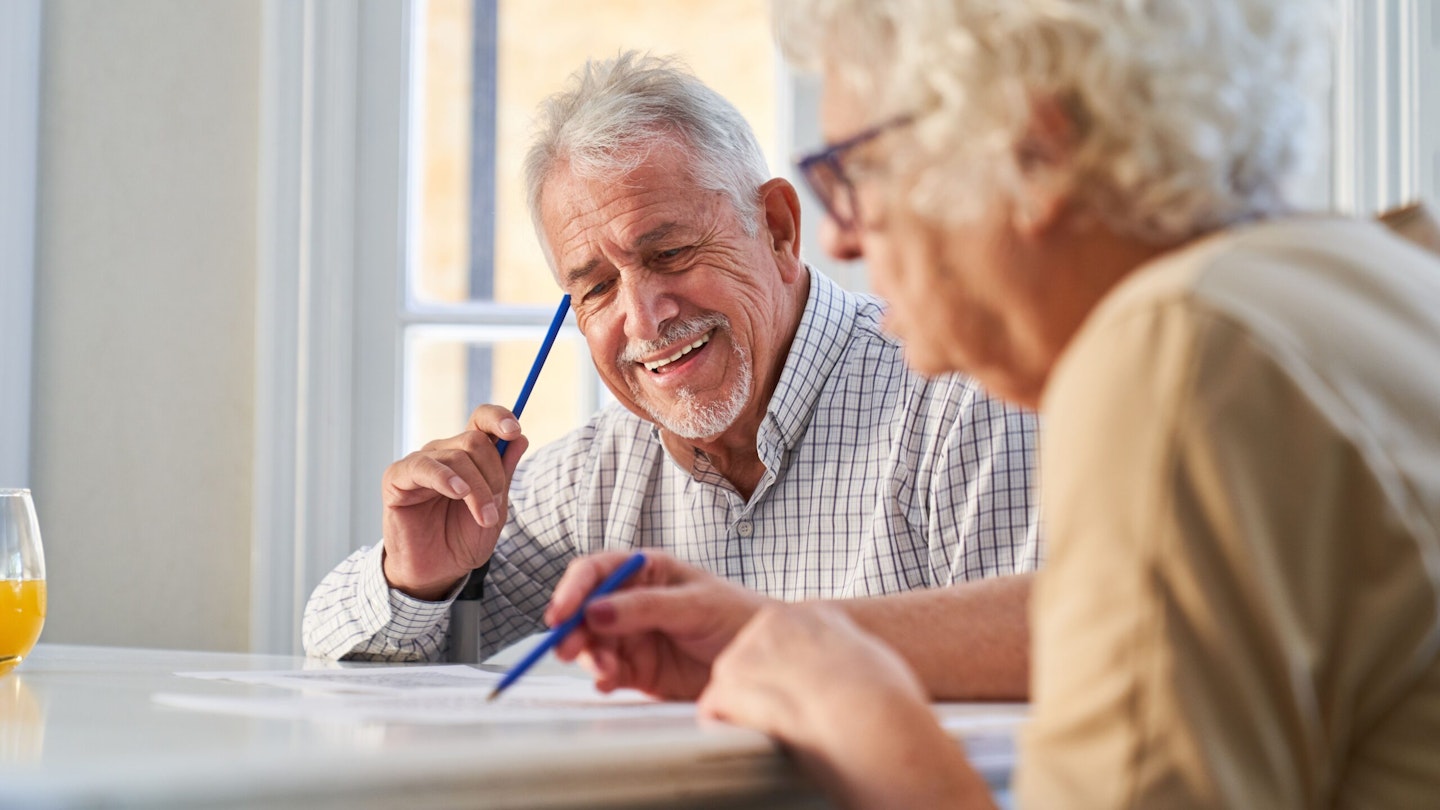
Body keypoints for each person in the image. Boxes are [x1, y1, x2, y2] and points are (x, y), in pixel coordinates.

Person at [548, 2, 1440, 806]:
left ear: (1033, 149)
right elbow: (1136, 633)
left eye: (854, 170)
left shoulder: (1174, 349)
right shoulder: (1374, 277)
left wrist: (861, 725)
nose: (840, 235)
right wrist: (785, 632)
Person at [301, 52, 1040, 698]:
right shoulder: (602, 471)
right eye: (595, 288)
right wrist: (417, 577)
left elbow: (1059, 671)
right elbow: (333, 651)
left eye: (670, 254)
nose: (645, 319)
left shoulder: (963, 407)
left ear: (779, 229)